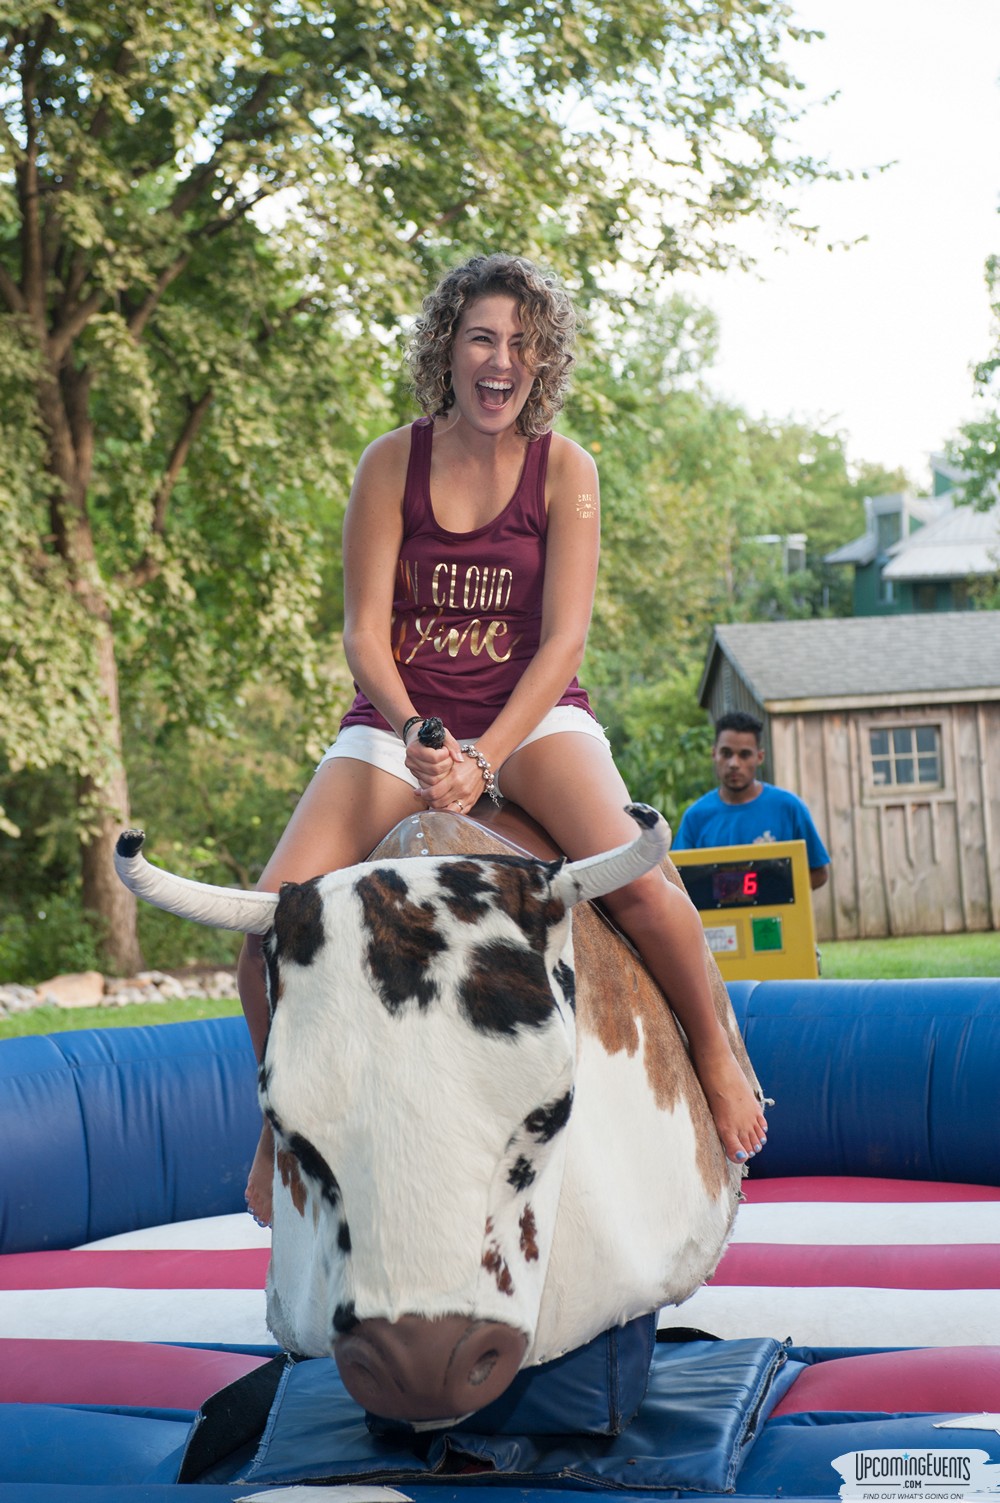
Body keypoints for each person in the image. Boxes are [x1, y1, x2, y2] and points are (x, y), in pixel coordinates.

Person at [238, 253, 767, 1228]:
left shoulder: (566, 470)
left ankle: (716, 1053)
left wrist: (485, 757)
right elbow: (363, 632)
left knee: (641, 884)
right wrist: (417, 736)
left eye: (523, 343)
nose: (501, 359)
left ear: (545, 360)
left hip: (531, 719)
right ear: (446, 346)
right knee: (266, 924)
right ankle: (280, 1118)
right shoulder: (387, 463)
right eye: (483, 336)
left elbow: (564, 636)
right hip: (402, 724)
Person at [673, 711, 831, 890]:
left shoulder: (789, 807)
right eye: (726, 753)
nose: (734, 763)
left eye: (744, 754)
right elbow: (677, 881)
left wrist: (777, 895)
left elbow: (819, 873)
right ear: (714, 754)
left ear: (759, 757)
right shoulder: (696, 817)